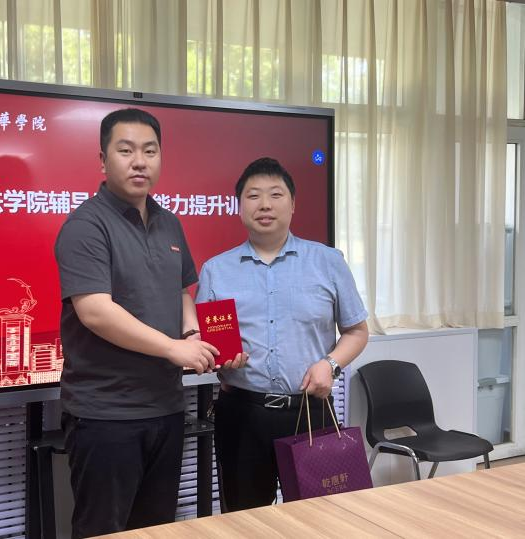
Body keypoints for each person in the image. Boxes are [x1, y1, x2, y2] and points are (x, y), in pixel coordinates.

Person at [55, 108, 244, 538]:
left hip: (166, 407)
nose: (139, 161)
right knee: (103, 530)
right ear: (103, 160)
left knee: (156, 528)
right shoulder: (85, 225)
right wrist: (173, 347)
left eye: (150, 151)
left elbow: (182, 293)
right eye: (126, 151)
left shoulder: (169, 223)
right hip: (106, 414)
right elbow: (95, 311)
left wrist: (193, 335)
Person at [195, 157, 369, 512]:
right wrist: (218, 357)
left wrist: (330, 363)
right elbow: (209, 344)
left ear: (292, 205)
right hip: (242, 413)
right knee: (245, 520)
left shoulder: (328, 261)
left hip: (310, 410)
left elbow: (357, 331)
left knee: (318, 517)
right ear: (239, 207)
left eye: (276, 194)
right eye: (253, 196)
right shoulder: (216, 270)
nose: (265, 204)